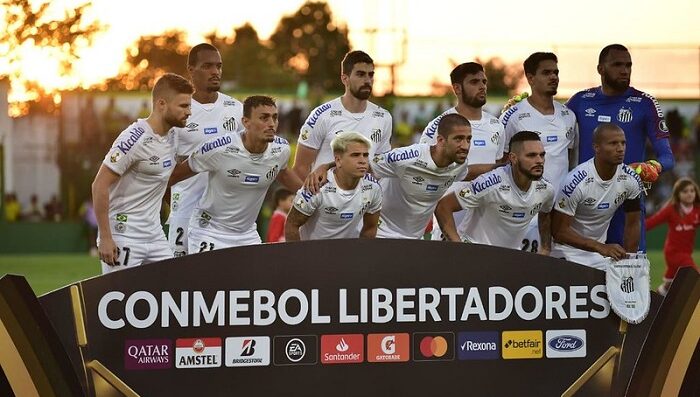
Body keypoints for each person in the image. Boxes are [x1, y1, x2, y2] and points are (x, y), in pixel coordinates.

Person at [566, 44, 674, 252]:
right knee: (583, 275)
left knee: (630, 271)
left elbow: (667, 156)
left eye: (628, 65)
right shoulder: (580, 101)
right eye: (617, 65)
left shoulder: (644, 103)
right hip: (586, 204)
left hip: (627, 203)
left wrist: (652, 166)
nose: (625, 70)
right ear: (601, 69)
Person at [168, 95, 302, 252]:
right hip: (209, 231)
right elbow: (174, 175)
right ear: (246, 122)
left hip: (247, 234)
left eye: (275, 117)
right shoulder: (217, 149)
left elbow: (284, 173)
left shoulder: (281, 150)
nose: (271, 124)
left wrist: (314, 197)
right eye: (264, 118)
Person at [91, 73, 193, 273]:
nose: (188, 112)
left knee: (171, 292)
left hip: (154, 234)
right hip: (124, 233)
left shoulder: (174, 136)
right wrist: (105, 237)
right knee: (118, 299)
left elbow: (164, 180)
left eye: (189, 106)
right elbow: (99, 185)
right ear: (161, 104)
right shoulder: (133, 138)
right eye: (183, 106)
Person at [167, 43, 245, 257]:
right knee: (180, 279)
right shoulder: (177, 110)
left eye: (218, 66)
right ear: (191, 70)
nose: (215, 72)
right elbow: (166, 167)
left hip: (225, 214)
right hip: (185, 209)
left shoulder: (236, 109)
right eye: (208, 66)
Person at [499, 52, 578, 253]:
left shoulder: (568, 116)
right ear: (530, 78)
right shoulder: (513, 116)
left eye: (556, 72)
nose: (553, 77)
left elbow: (571, 159)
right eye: (546, 72)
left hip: (560, 213)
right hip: (525, 211)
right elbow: (501, 161)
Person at [419, 62, 507, 241]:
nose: (482, 86)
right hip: (451, 222)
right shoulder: (439, 125)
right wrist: (490, 170)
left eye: (484, 81)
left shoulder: (496, 125)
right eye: (474, 82)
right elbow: (427, 171)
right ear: (457, 88)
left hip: (488, 226)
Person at [435, 131, 555, 252]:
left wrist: (545, 248)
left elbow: (546, 213)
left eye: (542, 155)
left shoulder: (546, 190)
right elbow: (443, 207)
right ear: (513, 158)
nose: (539, 160)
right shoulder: (489, 183)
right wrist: (459, 247)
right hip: (474, 253)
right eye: (531, 155)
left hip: (509, 258)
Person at [551, 123, 644, 270]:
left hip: (599, 256)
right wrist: (599, 246)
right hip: (566, 252)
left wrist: (629, 260)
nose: (620, 149)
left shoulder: (631, 179)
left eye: (623, 143)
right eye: (613, 143)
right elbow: (559, 231)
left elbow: (633, 223)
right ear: (596, 147)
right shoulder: (575, 182)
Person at [292, 50, 392, 180]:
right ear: (345, 79)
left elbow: (381, 167)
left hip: (364, 199)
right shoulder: (322, 115)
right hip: (325, 199)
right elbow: (300, 167)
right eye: (360, 74)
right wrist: (317, 197)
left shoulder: (384, 117)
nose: (367, 80)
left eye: (370, 75)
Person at [371, 113, 471, 239]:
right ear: (440, 140)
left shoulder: (460, 165)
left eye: (468, 139)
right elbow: (367, 168)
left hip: (415, 239)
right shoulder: (407, 158)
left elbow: (468, 173)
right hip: (380, 234)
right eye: (458, 139)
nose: (465, 146)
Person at [285, 131, 382, 241]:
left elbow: (370, 228)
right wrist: (299, 257)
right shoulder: (317, 185)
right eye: (355, 155)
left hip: (348, 254)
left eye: (365, 155)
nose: (363, 161)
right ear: (338, 160)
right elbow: (291, 225)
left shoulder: (373, 187)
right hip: (313, 254)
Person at [646, 177, 700, 295]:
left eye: (692, 191)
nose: (689, 194)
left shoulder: (697, 210)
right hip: (673, 253)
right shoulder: (671, 210)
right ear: (678, 194)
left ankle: (657, 299)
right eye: (685, 191)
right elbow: (651, 222)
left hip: (686, 252)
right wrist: (635, 229)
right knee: (695, 275)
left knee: (670, 284)